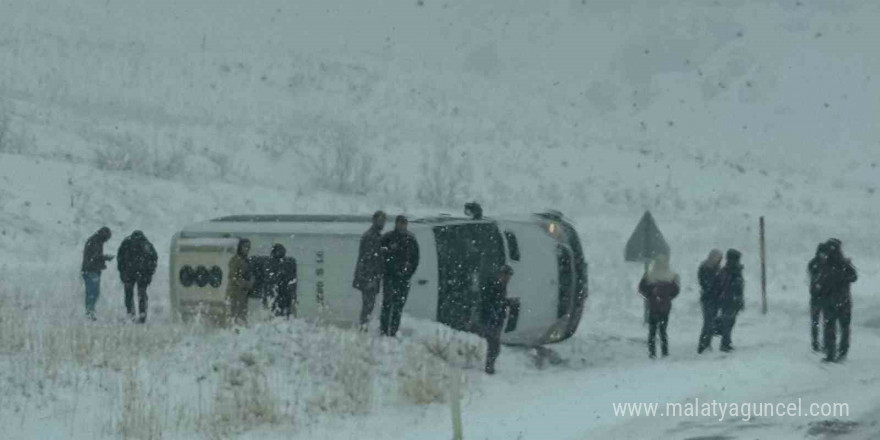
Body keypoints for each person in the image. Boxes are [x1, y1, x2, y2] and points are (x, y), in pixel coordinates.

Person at [379, 215, 420, 337]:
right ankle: (384, 330)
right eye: (399, 223)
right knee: (387, 304)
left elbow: (415, 259)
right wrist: (389, 250)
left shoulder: (411, 239)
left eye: (403, 223)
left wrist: (408, 272)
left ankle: (393, 331)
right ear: (395, 224)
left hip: (403, 278)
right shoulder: (388, 237)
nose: (401, 225)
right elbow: (380, 252)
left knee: (398, 306)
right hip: (390, 276)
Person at [819, 238, 857, 362]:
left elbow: (821, 283)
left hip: (833, 302)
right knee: (842, 328)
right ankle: (841, 352)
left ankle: (833, 353)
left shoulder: (827, 265)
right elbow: (853, 277)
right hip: (841, 301)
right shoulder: (842, 264)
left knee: (832, 328)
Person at [638, 254, 680, 358]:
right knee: (663, 330)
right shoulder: (671, 276)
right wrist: (667, 297)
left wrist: (650, 295)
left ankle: (652, 352)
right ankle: (664, 352)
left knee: (652, 330)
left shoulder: (649, 275)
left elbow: (642, 288)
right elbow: (675, 291)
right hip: (665, 306)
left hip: (653, 305)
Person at [353, 211, 386, 329]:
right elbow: (366, 259)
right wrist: (369, 278)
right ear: (374, 220)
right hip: (369, 276)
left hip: (372, 276)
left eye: (383, 221)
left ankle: (364, 325)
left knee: (369, 305)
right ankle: (363, 326)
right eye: (380, 220)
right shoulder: (370, 236)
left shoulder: (375, 236)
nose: (382, 223)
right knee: (368, 304)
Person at [116, 230, 158, 323]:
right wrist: (150, 272)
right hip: (143, 274)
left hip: (129, 274)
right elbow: (154, 258)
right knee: (142, 295)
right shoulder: (147, 244)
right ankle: (142, 315)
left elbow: (120, 259)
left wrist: (122, 272)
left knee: (129, 295)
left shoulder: (126, 243)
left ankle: (131, 314)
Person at [481, 265, 513, 375]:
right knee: (494, 346)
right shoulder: (496, 285)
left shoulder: (501, 285)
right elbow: (491, 302)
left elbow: (498, 301)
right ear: (502, 275)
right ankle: (489, 368)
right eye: (507, 275)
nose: (508, 278)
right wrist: (503, 305)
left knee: (494, 345)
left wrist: (507, 302)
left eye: (509, 276)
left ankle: (490, 366)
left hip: (497, 319)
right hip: (493, 320)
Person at [81, 226, 114, 320]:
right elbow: (95, 256)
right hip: (91, 270)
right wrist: (106, 257)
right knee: (93, 292)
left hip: (89, 269)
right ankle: (90, 312)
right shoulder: (95, 241)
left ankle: (90, 311)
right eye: (107, 238)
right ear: (104, 236)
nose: (107, 241)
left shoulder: (95, 240)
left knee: (91, 292)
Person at [717, 249, 745, 352]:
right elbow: (727, 286)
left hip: (732, 300)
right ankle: (725, 343)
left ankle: (727, 342)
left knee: (730, 322)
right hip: (729, 300)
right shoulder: (728, 271)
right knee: (727, 322)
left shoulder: (733, 270)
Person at [697, 249, 723, 353]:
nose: (719, 260)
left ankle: (707, 344)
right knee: (708, 323)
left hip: (714, 298)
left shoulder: (716, 268)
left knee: (711, 323)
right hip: (709, 298)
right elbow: (706, 283)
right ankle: (703, 345)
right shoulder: (706, 268)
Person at [807, 242, 830, 352]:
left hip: (824, 297)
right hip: (817, 298)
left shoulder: (822, 264)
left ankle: (825, 343)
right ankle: (815, 343)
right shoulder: (814, 264)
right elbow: (815, 278)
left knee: (825, 322)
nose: (823, 255)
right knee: (816, 322)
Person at [227, 238, 254, 326]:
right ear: (240, 247)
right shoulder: (235, 260)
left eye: (248, 247)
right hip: (235, 294)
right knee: (235, 317)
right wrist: (248, 284)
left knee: (242, 317)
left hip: (242, 294)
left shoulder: (245, 260)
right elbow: (234, 277)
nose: (247, 249)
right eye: (245, 247)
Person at [267, 243, 298, 318]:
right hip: (277, 292)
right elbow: (270, 279)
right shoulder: (271, 263)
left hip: (285, 292)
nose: (280, 253)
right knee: (277, 312)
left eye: (281, 251)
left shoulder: (289, 262)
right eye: (278, 251)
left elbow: (293, 278)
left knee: (286, 312)